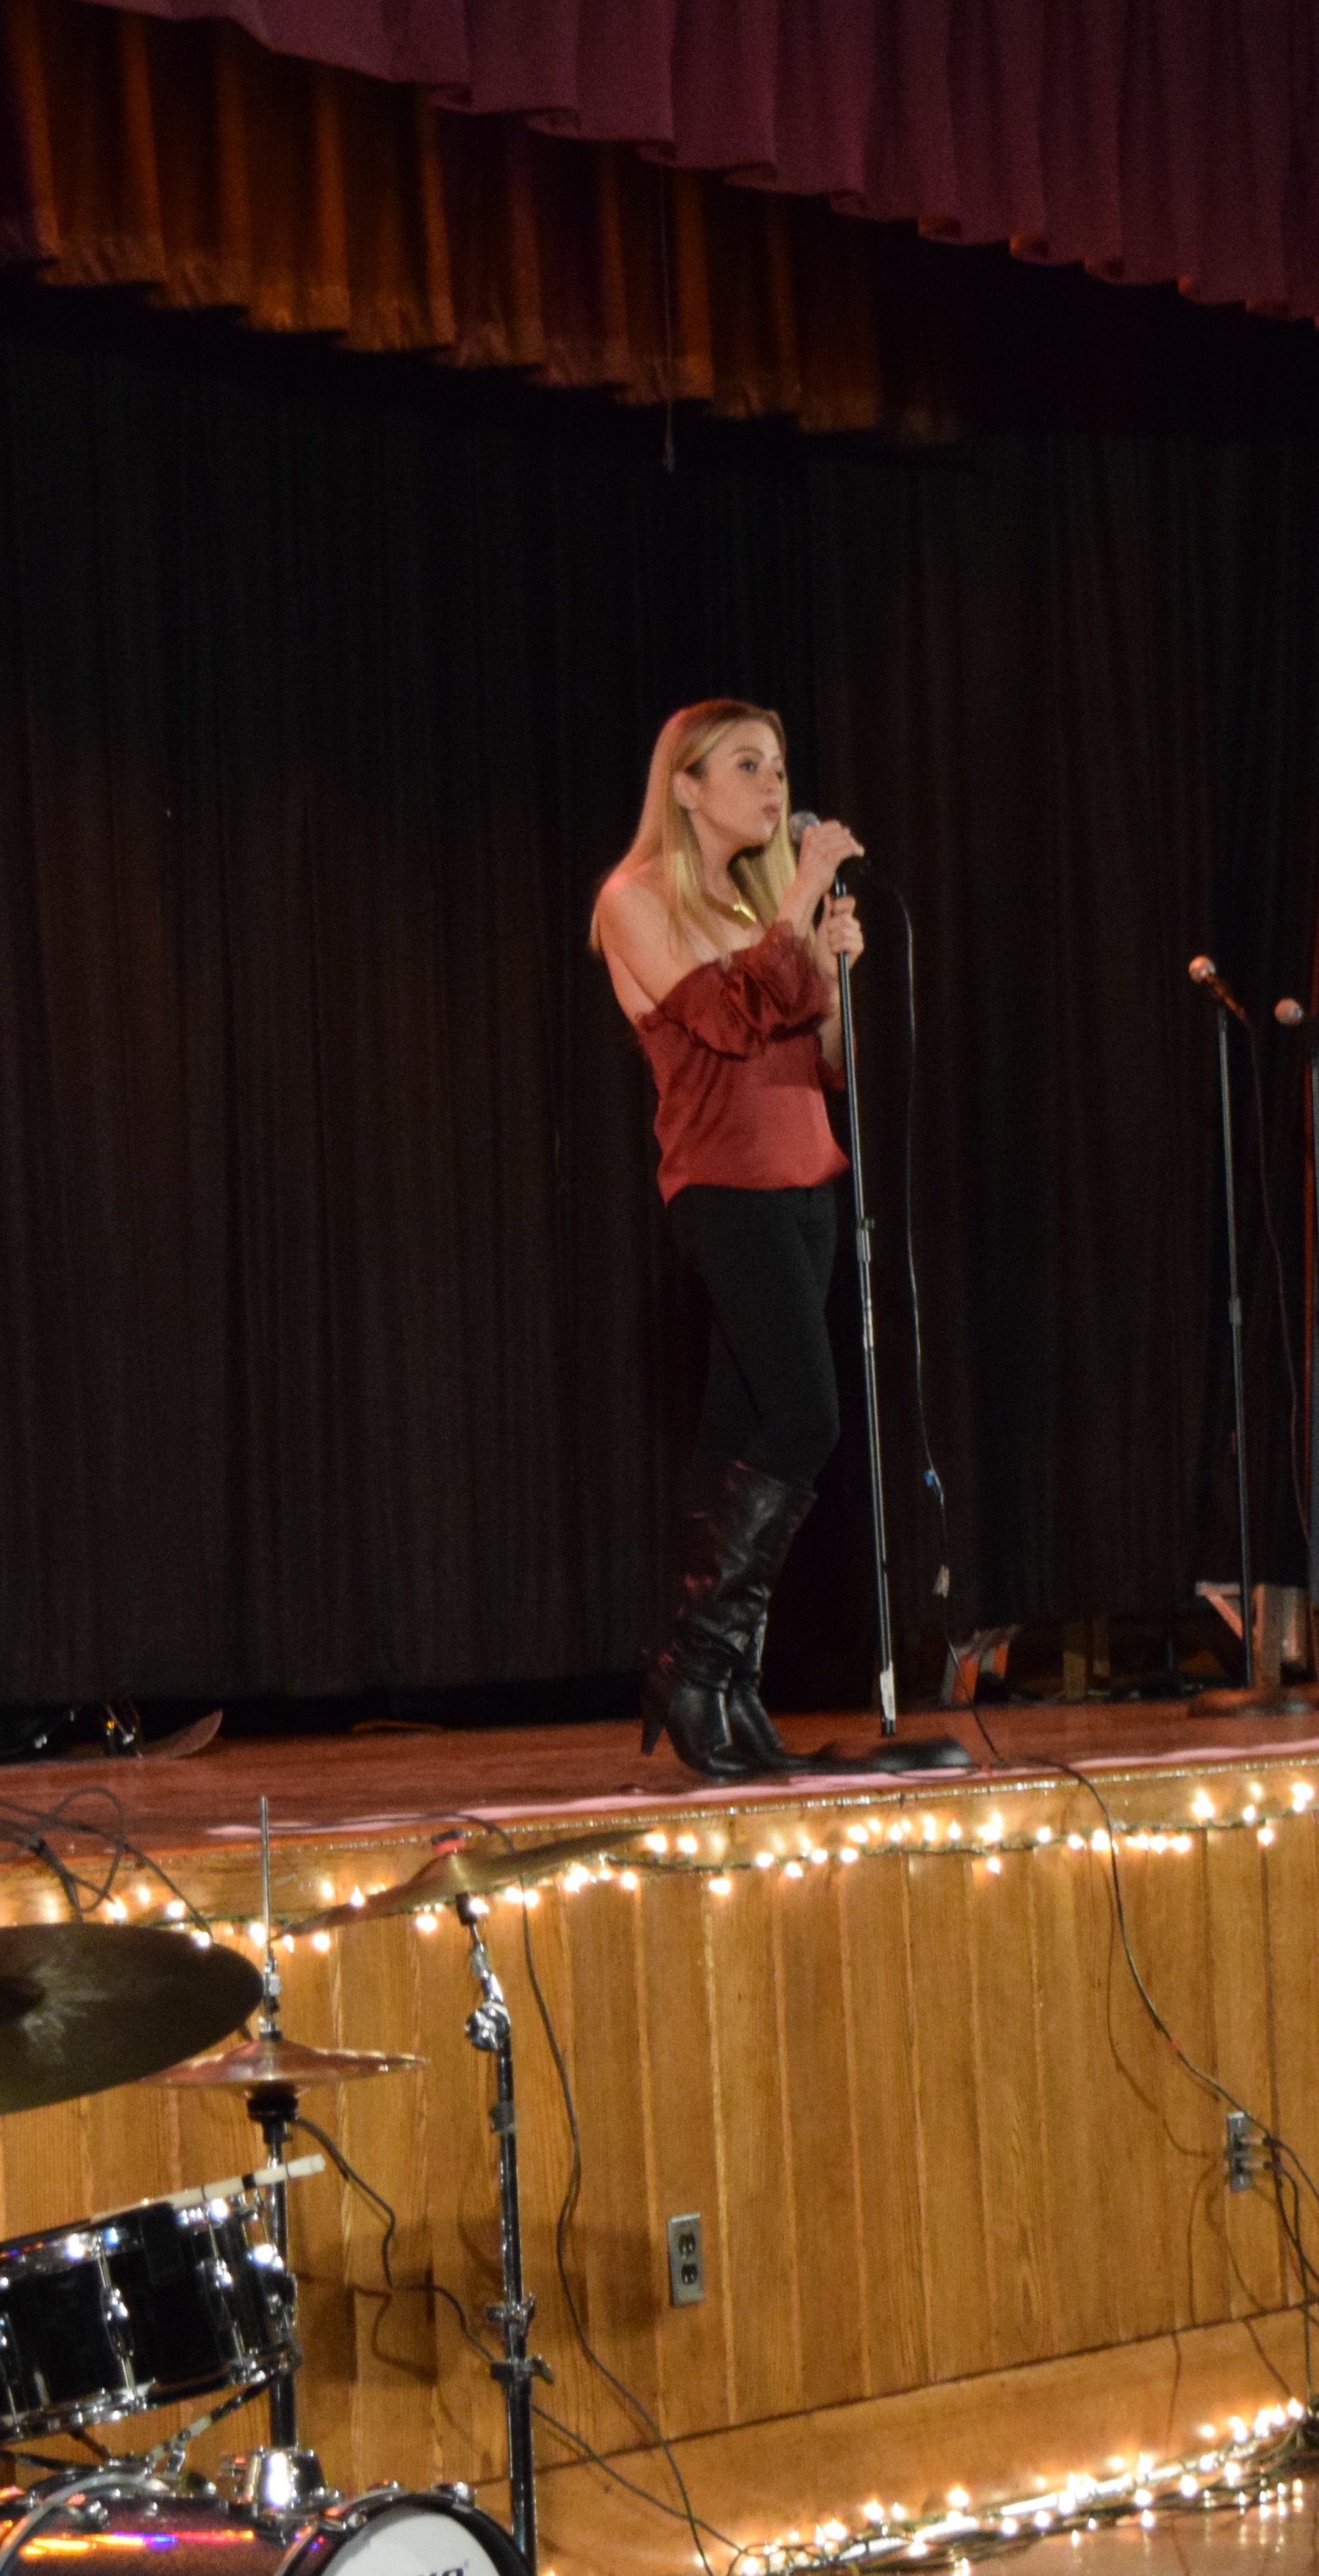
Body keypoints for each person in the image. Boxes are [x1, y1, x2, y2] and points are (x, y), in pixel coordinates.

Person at [592, 698, 867, 1780]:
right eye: (747, 765)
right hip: (727, 1183)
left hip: (805, 1180)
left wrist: (832, 969)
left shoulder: (761, 908)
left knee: (737, 1430)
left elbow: (824, 1057)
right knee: (806, 1414)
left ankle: (727, 1683)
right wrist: (799, 902)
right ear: (687, 786)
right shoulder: (634, 900)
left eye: (779, 765)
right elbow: (726, 1020)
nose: (773, 783)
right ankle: (694, 1666)